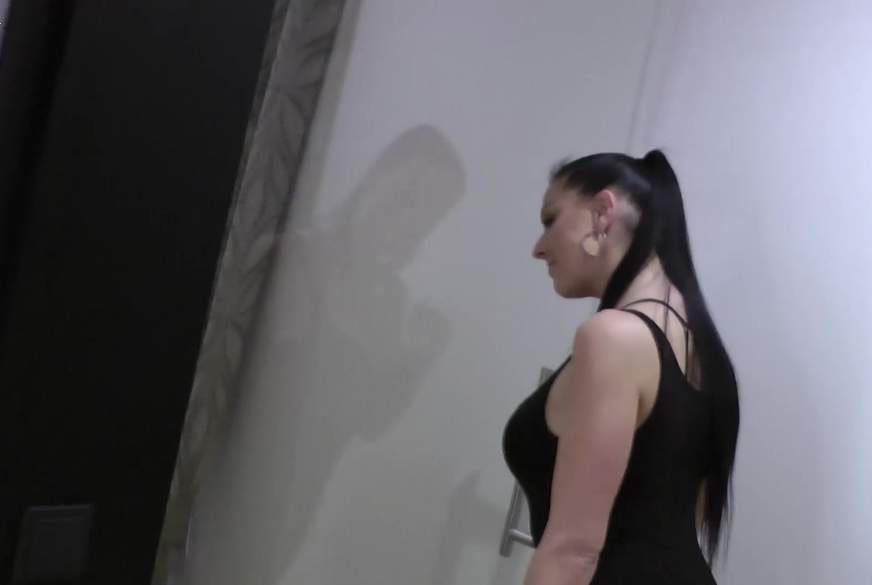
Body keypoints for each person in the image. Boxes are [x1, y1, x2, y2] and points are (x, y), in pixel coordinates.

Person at [502, 150, 740, 584]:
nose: (539, 248)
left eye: (551, 219)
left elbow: (573, 551)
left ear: (602, 213)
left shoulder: (612, 338)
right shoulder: (699, 342)